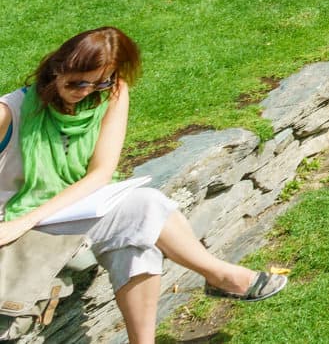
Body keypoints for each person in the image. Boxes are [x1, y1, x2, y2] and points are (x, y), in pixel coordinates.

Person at [0, 29, 287, 342]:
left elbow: (100, 173)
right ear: (56, 70)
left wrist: (35, 215)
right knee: (143, 216)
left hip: (66, 210)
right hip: (15, 219)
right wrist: (22, 221)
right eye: (77, 82)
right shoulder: (9, 112)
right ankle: (220, 275)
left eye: (101, 81)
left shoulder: (111, 94)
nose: (87, 92)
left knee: (140, 228)